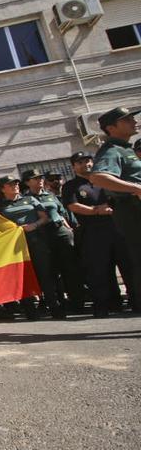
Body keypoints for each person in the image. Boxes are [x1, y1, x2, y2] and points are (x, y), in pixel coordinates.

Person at [62, 151, 135, 317]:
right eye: (79, 162)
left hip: (117, 229)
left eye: (87, 161)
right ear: (73, 167)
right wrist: (96, 210)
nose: (85, 165)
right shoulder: (71, 186)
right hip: (93, 232)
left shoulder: (105, 181)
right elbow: (73, 206)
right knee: (100, 271)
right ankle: (105, 306)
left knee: (128, 267)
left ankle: (136, 302)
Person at [89, 106, 141, 312]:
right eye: (127, 119)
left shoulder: (126, 149)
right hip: (132, 210)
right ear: (111, 128)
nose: (133, 121)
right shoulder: (111, 150)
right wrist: (136, 188)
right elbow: (98, 177)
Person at [0, 175, 64, 320]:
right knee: (22, 276)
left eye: (16, 183)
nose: (15, 186)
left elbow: (44, 217)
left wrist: (34, 225)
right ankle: (30, 310)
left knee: (45, 274)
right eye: (10, 184)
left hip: (36, 241)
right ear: (2, 189)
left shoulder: (30, 199)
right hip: (14, 246)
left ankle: (54, 307)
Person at [22, 169, 84, 313]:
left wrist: (69, 230)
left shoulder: (50, 195)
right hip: (42, 235)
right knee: (49, 271)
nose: (39, 180)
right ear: (27, 182)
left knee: (70, 267)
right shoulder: (25, 200)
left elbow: (62, 213)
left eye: (40, 178)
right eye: (35, 178)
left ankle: (77, 302)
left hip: (60, 232)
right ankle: (57, 302)